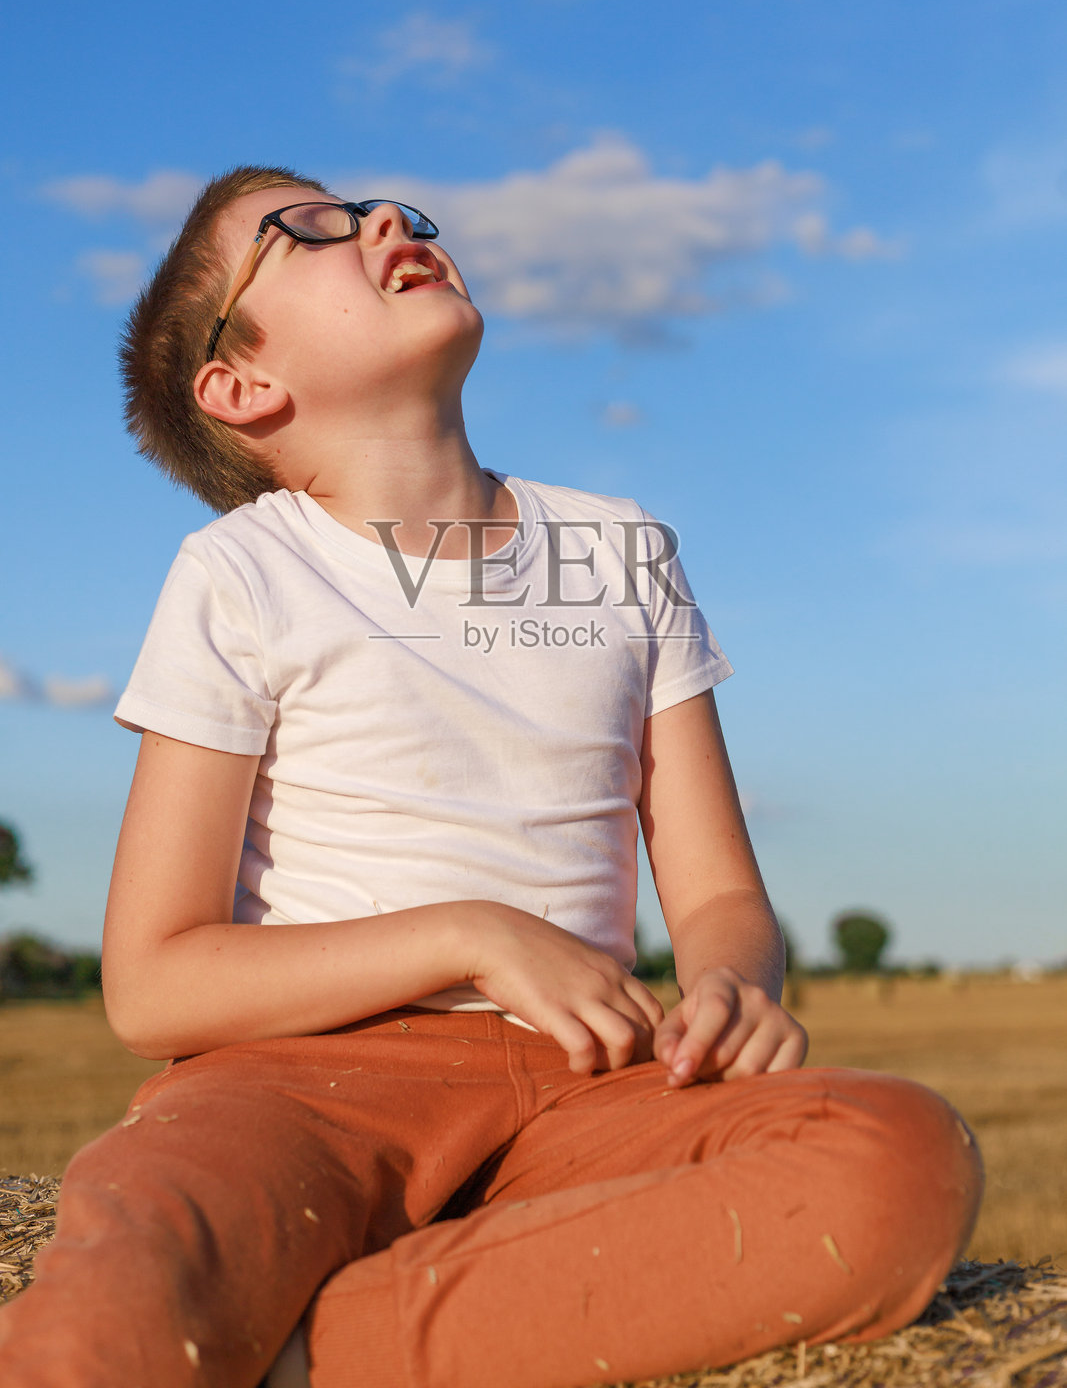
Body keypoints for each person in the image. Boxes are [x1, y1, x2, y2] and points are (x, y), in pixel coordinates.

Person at [0, 167, 982, 1388]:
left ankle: (318, 1351)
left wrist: (731, 985)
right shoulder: (239, 575)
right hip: (299, 1088)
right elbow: (153, 985)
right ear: (243, 384)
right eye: (304, 229)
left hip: (588, 1082)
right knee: (131, 1283)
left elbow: (720, 892)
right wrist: (470, 935)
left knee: (890, 1157)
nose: (384, 221)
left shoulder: (621, 550)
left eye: (382, 207)